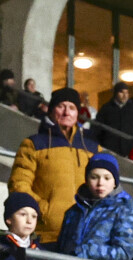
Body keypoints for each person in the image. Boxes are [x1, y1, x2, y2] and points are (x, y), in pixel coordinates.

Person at [7, 87, 97, 245]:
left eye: (72, 108)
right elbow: (19, 185)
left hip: (84, 236)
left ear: (77, 113)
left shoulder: (92, 148)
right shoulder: (33, 144)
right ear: (51, 110)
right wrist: (44, 211)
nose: (66, 112)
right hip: (47, 235)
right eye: (61, 106)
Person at [56, 154, 133, 260]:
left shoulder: (124, 210)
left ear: (115, 181)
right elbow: (62, 249)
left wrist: (87, 251)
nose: (100, 183)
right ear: (87, 179)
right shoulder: (73, 212)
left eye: (107, 178)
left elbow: (124, 253)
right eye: (94, 177)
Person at [92, 82, 133, 153]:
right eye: (122, 92)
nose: (125, 96)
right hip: (109, 149)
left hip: (129, 150)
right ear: (115, 93)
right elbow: (98, 129)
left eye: (127, 93)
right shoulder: (106, 109)